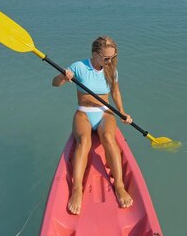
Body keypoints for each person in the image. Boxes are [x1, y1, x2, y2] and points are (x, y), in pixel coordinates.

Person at [52, 35, 134, 215]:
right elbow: (54, 84)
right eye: (106, 58)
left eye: (113, 57)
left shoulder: (111, 69)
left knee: (109, 139)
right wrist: (64, 77)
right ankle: (77, 190)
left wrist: (122, 111)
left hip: (105, 113)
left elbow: (115, 91)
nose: (110, 60)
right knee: (84, 141)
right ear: (95, 54)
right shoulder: (79, 67)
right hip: (84, 112)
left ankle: (119, 186)